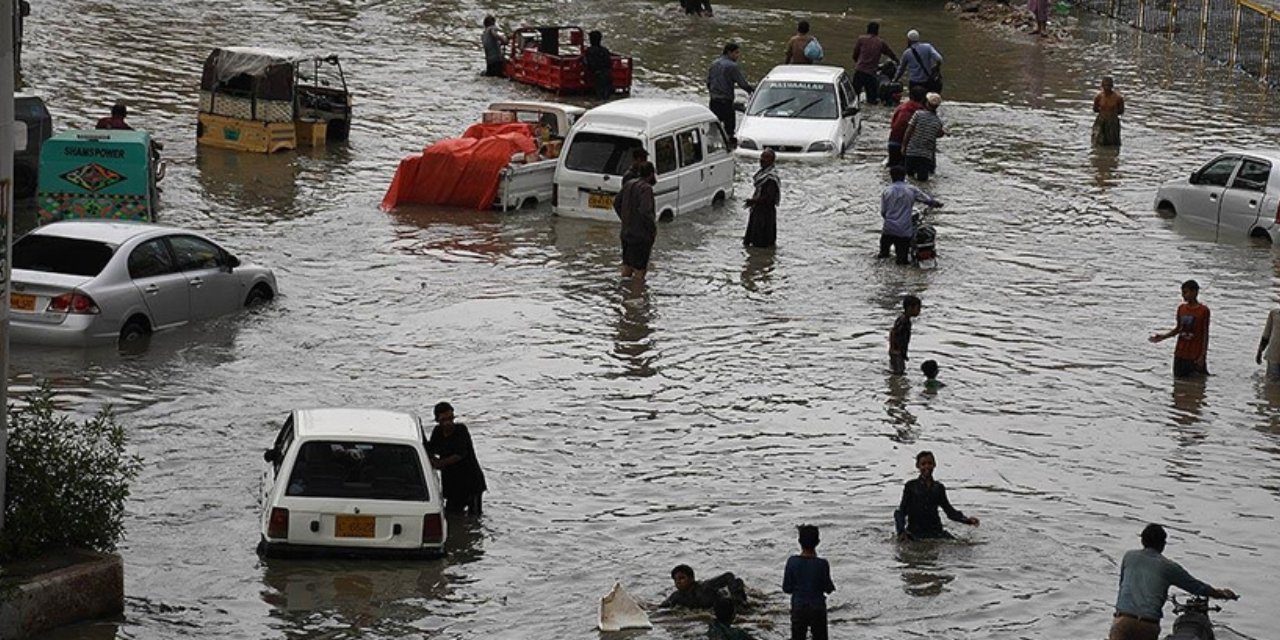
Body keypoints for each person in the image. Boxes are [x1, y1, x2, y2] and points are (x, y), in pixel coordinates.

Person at [1108, 524, 1237, 640]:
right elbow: (1196, 587)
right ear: (1163, 544)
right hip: (1148, 625)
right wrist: (1221, 594)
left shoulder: (1128, 557)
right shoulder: (1168, 567)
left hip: (1122, 621)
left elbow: (1122, 586)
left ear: (1142, 540)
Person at [894, 450, 980, 540]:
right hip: (915, 532)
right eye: (923, 464)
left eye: (930, 463)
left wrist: (966, 520)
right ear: (917, 466)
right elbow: (901, 511)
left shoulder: (939, 488)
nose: (927, 466)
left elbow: (949, 511)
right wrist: (901, 532)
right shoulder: (910, 486)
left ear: (934, 465)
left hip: (936, 531)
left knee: (965, 544)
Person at [426, 402, 487, 515]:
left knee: (474, 517)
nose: (448, 423)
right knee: (451, 514)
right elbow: (431, 448)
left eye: (450, 418)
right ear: (437, 420)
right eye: (444, 420)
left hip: (471, 483)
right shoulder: (437, 432)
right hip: (452, 484)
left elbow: (459, 454)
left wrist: (439, 463)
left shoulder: (461, 430)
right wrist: (430, 458)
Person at [880, 165, 942, 265]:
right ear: (904, 176)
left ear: (891, 176)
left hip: (888, 229)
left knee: (883, 257)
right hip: (904, 231)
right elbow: (927, 200)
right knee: (902, 261)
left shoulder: (887, 191)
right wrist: (936, 203)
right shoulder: (911, 189)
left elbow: (883, 212)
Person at [782, 525, 835, 640]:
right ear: (818, 542)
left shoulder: (792, 562)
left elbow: (786, 588)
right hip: (817, 608)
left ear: (799, 541)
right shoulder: (822, 564)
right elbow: (828, 588)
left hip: (798, 608)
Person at [1149, 280, 1210, 378]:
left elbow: (1205, 334)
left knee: (1198, 382)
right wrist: (1163, 337)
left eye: (1185, 292)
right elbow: (1178, 329)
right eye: (1182, 293)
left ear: (1195, 292)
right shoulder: (1181, 308)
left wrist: (1202, 356)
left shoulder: (1203, 311)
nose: (1183, 295)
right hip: (1180, 353)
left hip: (1195, 355)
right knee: (1178, 382)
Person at [613, 161, 658, 283]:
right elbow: (645, 211)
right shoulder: (646, 189)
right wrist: (653, 229)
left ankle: (624, 291)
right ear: (651, 174)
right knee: (640, 271)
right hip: (641, 236)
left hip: (626, 233)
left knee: (627, 267)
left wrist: (625, 219)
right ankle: (637, 292)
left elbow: (616, 203)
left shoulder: (628, 184)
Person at [707, 42, 754, 146]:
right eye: (736, 53)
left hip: (714, 101)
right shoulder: (732, 66)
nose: (738, 56)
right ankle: (729, 148)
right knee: (729, 130)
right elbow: (742, 83)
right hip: (726, 102)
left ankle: (712, 146)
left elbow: (708, 82)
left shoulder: (714, 64)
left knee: (713, 128)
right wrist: (753, 92)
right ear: (729, 52)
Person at [661, 564, 748, 609]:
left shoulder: (705, 587)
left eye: (682, 578)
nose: (678, 582)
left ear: (691, 578)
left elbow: (728, 576)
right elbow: (661, 607)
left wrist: (738, 599)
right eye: (675, 579)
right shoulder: (676, 596)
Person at [902, 92, 946, 181]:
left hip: (912, 151)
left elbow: (908, 131)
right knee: (922, 180)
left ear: (926, 103)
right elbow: (937, 135)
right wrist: (943, 132)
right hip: (926, 155)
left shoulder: (918, 114)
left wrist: (904, 146)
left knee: (908, 177)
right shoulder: (938, 121)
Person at [852, 22, 898, 105]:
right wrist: (898, 62)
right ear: (877, 31)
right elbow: (890, 54)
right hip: (871, 74)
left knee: (854, 97)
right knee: (872, 100)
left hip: (859, 71)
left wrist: (859, 63)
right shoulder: (880, 42)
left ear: (867, 30)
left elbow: (855, 55)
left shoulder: (861, 39)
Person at [743, 150, 780, 249]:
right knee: (752, 240)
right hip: (757, 210)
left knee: (761, 242)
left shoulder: (771, 178)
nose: (762, 160)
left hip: (765, 215)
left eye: (766, 158)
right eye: (761, 157)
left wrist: (753, 201)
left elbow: (769, 198)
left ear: (772, 161)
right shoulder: (761, 174)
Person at [888, 86, 926, 167]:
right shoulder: (922, 111)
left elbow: (893, 124)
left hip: (893, 141)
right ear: (923, 99)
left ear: (910, 96)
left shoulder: (900, 107)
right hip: (909, 147)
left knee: (893, 169)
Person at [889, 295, 923, 375]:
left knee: (898, 371)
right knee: (899, 372)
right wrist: (895, 349)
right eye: (918, 308)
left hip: (898, 351)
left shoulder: (904, 319)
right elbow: (893, 333)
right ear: (909, 308)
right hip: (897, 351)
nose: (919, 311)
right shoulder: (904, 321)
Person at [1092, 77, 1125, 147]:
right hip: (1101, 121)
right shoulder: (1099, 97)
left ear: (1112, 86)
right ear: (1102, 86)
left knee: (1113, 143)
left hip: (1113, 122)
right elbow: (1095, 109)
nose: (1107, 88)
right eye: (1105, 85)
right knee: (1097, 142)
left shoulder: (1118, 98)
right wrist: (1103, 112)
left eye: (1109, 85)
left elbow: (1121, 111)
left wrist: (1111, 113)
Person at [584, 30, 614, 101]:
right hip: (607, 74)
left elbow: (588, 63)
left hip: (597, 74)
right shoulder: (605, 50)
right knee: (606, 93)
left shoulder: (589, 51)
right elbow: (609, 62)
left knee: (600, 93)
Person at [1256, 307, 1280, 380]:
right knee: (1272, 382)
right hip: (1274, 356)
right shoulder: (1274, 314)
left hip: (1274, 356)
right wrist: (1259, 351)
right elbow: (1266, 334)